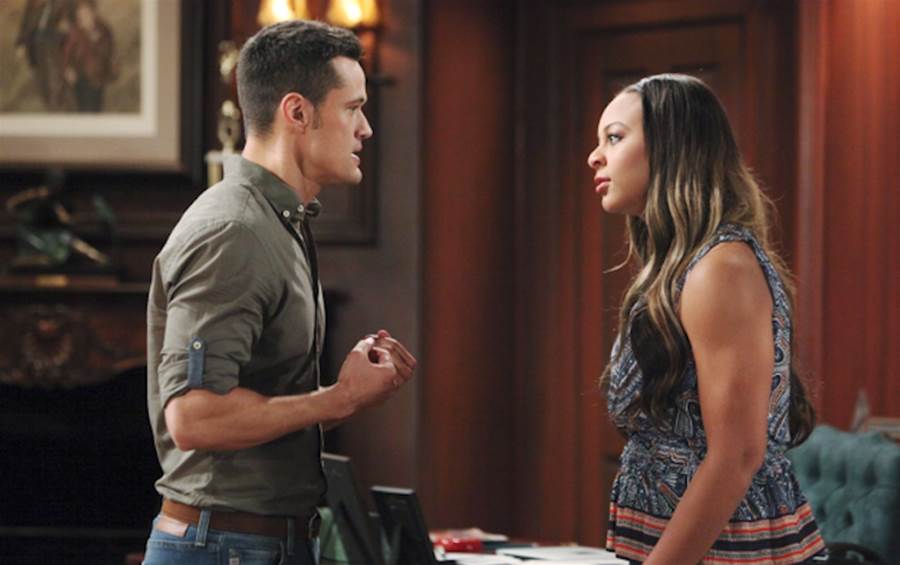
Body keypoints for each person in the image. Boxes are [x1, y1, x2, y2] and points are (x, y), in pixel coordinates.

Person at [143, 20, 415, 565]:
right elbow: (194, 418)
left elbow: (258, 411)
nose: (365, 129)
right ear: (297, 112)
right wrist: (340, 398)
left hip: (253, 544)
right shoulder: (235, 229)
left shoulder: (279, 221)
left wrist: (351, 392)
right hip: (225, 548)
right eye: (352, 108)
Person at [587, 74, 827, 564]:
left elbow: (737, 458)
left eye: (614, 137)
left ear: (672, 147)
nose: (595, 157)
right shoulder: (676, 271)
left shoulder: (721, 268)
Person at [62, 0, 116, 112]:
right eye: (80, 14)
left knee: (96, 105)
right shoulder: (75, 32)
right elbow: (66, 53)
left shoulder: (103, 29)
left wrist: (97, 41)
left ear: (93, 12)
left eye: (86, 13)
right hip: (80, 77)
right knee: (84, 107)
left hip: (98, 75)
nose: (83, 17)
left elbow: (109, 50)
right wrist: (68, 69)